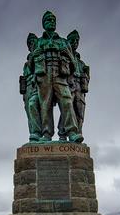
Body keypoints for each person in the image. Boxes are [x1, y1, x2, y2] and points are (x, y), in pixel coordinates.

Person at [30, 11, 83, 143]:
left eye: (53, 20)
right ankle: (46, 134)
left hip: (60, 75)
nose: (51, 22)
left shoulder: (63, 42)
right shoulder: (39, 42)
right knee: (45, 105)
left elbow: (74, 66)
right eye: (48, 20)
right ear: (43, 24)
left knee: (67, 101)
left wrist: (69, 56)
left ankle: (72, 133)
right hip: (44, 75)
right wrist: (33, 56)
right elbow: (31, 67)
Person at [58, 29, 90, 140]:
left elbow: (86, 78)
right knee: (67, 109)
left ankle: (78, 133)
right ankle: (62, 134)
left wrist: (87, 75)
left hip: (79, 88)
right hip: (68, 84)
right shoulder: (64, 56)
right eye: (73, 40)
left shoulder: (81, 63)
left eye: (77, 41)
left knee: (80, 112)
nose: (75, 43)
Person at [19, 33, 42, 142]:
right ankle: (34, 134)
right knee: (30, 112)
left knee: (35, 106)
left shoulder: (39, 56)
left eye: (33, 42)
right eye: (30, 43)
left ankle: (39, 132)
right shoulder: (27, 62)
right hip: (27, 88)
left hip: (38, 85)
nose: (32, 45)